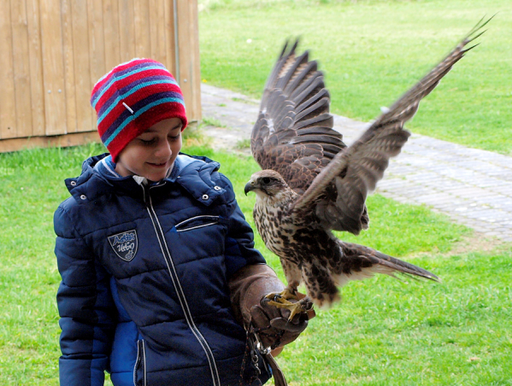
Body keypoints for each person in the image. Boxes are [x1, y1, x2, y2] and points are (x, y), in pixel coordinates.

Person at [54, 58, 310, 386]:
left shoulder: (209, 189)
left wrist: (266, 298)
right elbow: (83, 328)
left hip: (236, 373)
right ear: (116, 140)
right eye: (148, 140)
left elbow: (243, 269)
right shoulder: (83, 215)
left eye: (174, 135)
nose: (165, 151)